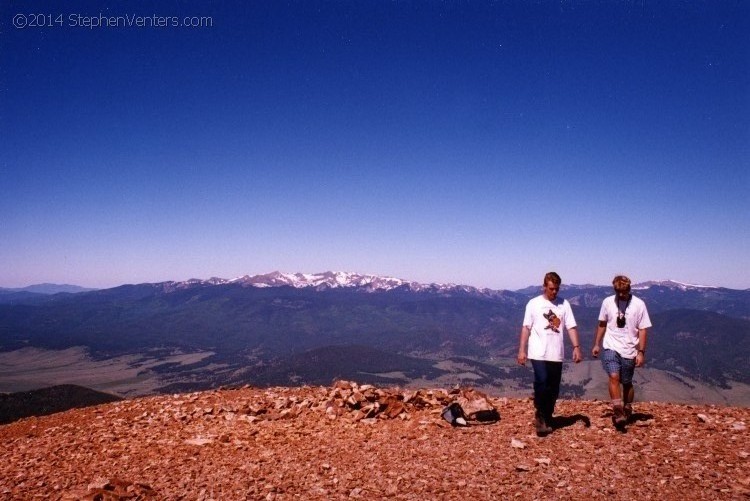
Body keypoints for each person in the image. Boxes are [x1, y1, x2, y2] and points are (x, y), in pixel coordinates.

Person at [517, 272, 582, 436]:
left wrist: (576, 347)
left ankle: (547, 413)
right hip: (538, 351)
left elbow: (571, 327)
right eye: (551, 289)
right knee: (542, 381)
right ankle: (540, 414)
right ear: (544, 287)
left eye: (557, 289)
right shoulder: (533, 304)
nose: (554, 292)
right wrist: (522, 349)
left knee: (553, 387)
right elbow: (526, 327)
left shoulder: (564, 304)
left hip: (556, 353)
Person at [592, 275, 652, 428]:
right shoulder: (607, 302)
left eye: (623, 291)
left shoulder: (639, 305)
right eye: (617, 291)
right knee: (613, 376)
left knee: (626, 382)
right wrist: (597, 344)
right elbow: (602, 323)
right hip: (611, 346)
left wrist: (641, 351)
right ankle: (618, 411)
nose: (620, 294)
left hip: (629, 349)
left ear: (629, 289)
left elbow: (643, 329)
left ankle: (627, 406)